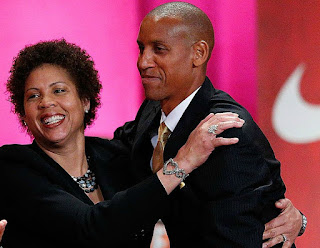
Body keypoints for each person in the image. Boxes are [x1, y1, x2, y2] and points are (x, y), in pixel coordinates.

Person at [0, 39, 245, 247]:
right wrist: (182, 162)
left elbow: (189, 204)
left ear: (85, 101)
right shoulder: (13, 167)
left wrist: (275, 211)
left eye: (59, 90)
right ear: (23, 113)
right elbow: (91, 228)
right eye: (33, 96)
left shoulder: (116, 154)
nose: (46, 102)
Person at [112, 2, 306, 247]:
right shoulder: (154, 109)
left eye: (159, 50)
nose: (143, 62)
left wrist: (299, 220)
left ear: (199, 53)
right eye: (141, 48)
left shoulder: (228, 134)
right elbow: (115, 149)